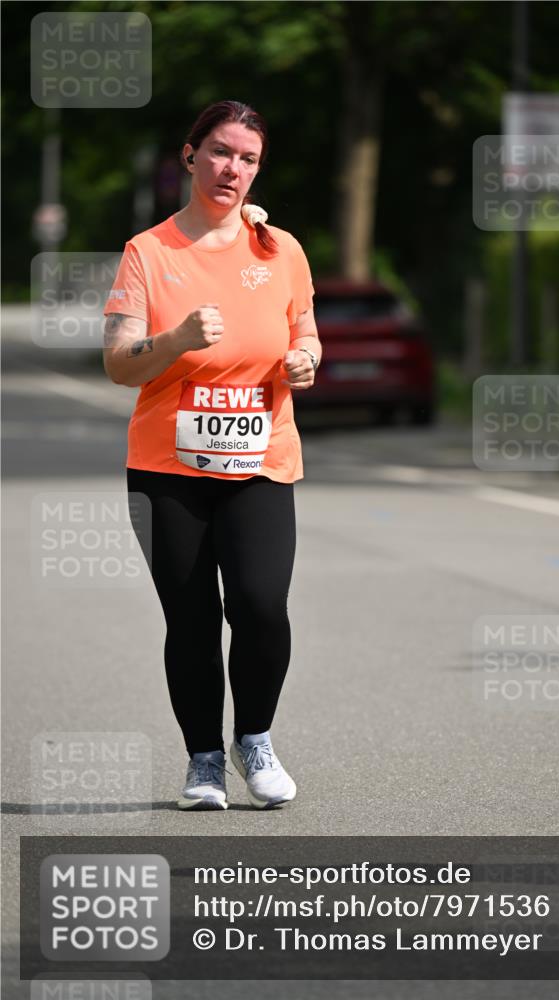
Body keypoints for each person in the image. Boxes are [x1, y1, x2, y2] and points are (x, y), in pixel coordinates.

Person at [102, 100, 321, 811]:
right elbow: (117, 364)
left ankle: (252, 739)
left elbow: (307, 331)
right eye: (222, 152)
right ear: (190, 155)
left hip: (260, 458)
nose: (234, 169)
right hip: (168, 467)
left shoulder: (279, 249)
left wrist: (306, 359)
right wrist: (175, 340)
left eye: (248, 158)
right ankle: (202, 761)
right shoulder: (149, 251)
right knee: (191, 617)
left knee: (260, 606)